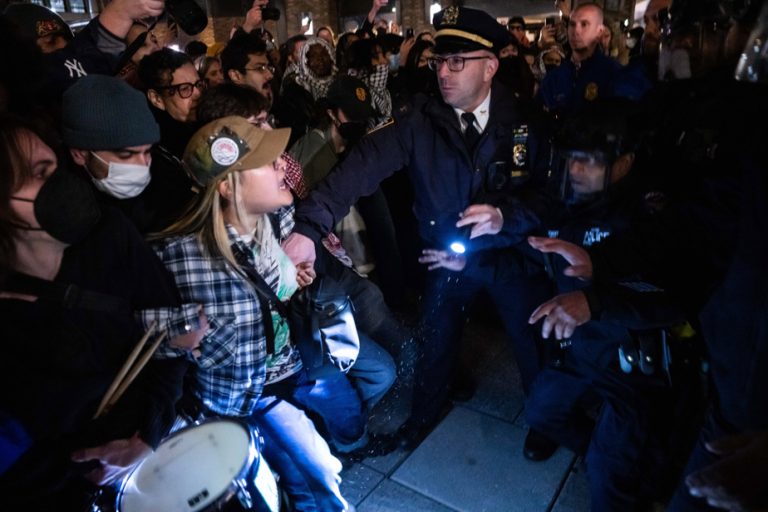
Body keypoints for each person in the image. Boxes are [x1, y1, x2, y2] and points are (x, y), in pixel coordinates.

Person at [281, 5, 555, 459]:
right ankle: (423, 418)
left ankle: (546, 420)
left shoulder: (526, 121)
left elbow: (548, 198)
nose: (443, 73)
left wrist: (506, 220)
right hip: (446, 257)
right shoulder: (419, 120)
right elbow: (358, 170)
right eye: (438, 61)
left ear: (490, 67)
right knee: (437, 339)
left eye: (456, 62)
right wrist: (310, 227)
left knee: (529, 342)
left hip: (507, 255)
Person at [150, 116, 361, 510]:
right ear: (227, 186)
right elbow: (141, 336)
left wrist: (294, 279)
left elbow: (269, 291)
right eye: (267, 162)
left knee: (334, 438)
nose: (284, 164)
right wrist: (177, 335)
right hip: (245, 402)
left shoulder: (274, 219)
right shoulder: (178, 259)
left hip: (296, 362)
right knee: (316, 473)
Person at [0, 113, 198, 510]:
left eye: (53, 168)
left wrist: (147, 436)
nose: (59, 186)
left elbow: (170, 330)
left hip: (160, 438)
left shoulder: (108, 232)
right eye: (39, 175)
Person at [524, 99, 687, 510]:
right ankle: (606, 454)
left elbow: (674, 297)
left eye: (590, 162)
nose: (576, 171)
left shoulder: (647, 216)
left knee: (611, 480)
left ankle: (626, 472)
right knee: (542, 411)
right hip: (580, 352)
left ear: (624, 162)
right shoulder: (570, 203)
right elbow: (530, 240)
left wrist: (594, 302)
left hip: (629, 363)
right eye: (571, 161)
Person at [61, 74, 198, 234]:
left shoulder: (169, 188)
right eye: (126, 155)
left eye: (147, 151)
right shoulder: (64, 214)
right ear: (80, 154)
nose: (143, 165)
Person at [537, 2, 623, 115]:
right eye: (572, 24)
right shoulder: (554, 77)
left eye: (584, 24)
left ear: (600, 32)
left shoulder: (613, 73)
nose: (576, 31)